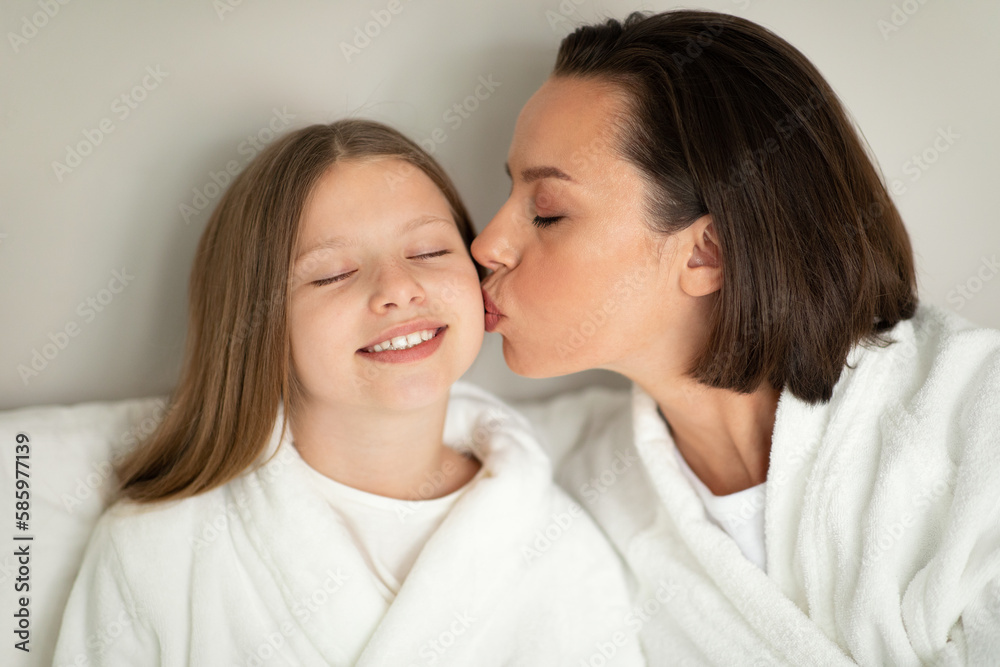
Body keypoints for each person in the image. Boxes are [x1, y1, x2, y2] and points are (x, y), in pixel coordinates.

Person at [472, 10, 1000, 665]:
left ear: (707, 253)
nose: (485, 245)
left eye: (547, 212)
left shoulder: (976, 423)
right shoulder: (559, 480)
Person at [53, 120, 644, 666]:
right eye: (333, 273)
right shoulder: (156, 550)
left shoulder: (567, 555)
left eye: (429, 252)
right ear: (257, 324)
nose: (398, 289)